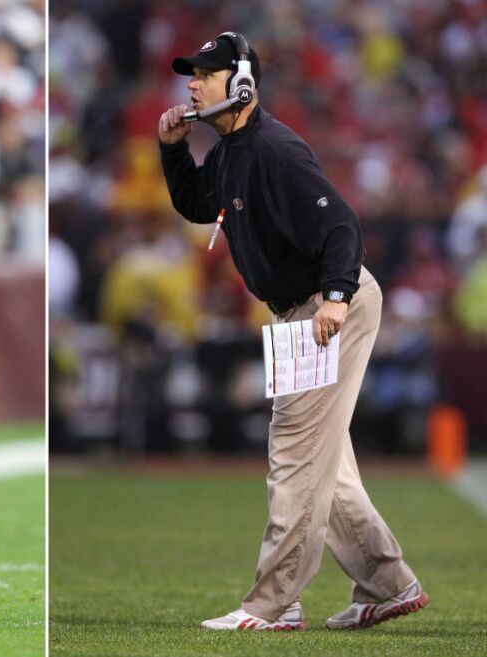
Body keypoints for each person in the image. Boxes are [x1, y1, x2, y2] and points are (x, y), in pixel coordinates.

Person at [158, 32, 428, 631]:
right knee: (324, 463)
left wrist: (335, 296)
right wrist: (174, 149)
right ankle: (388, 583)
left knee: (294, 454)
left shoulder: (274, 150)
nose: (193, 83)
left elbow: (341, 225)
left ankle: (274, 604)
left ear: (242, 82)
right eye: (192, 75)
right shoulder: (230, 148)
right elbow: (200, 206)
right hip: (301, 308)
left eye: (205, 73)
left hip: (329, 305)